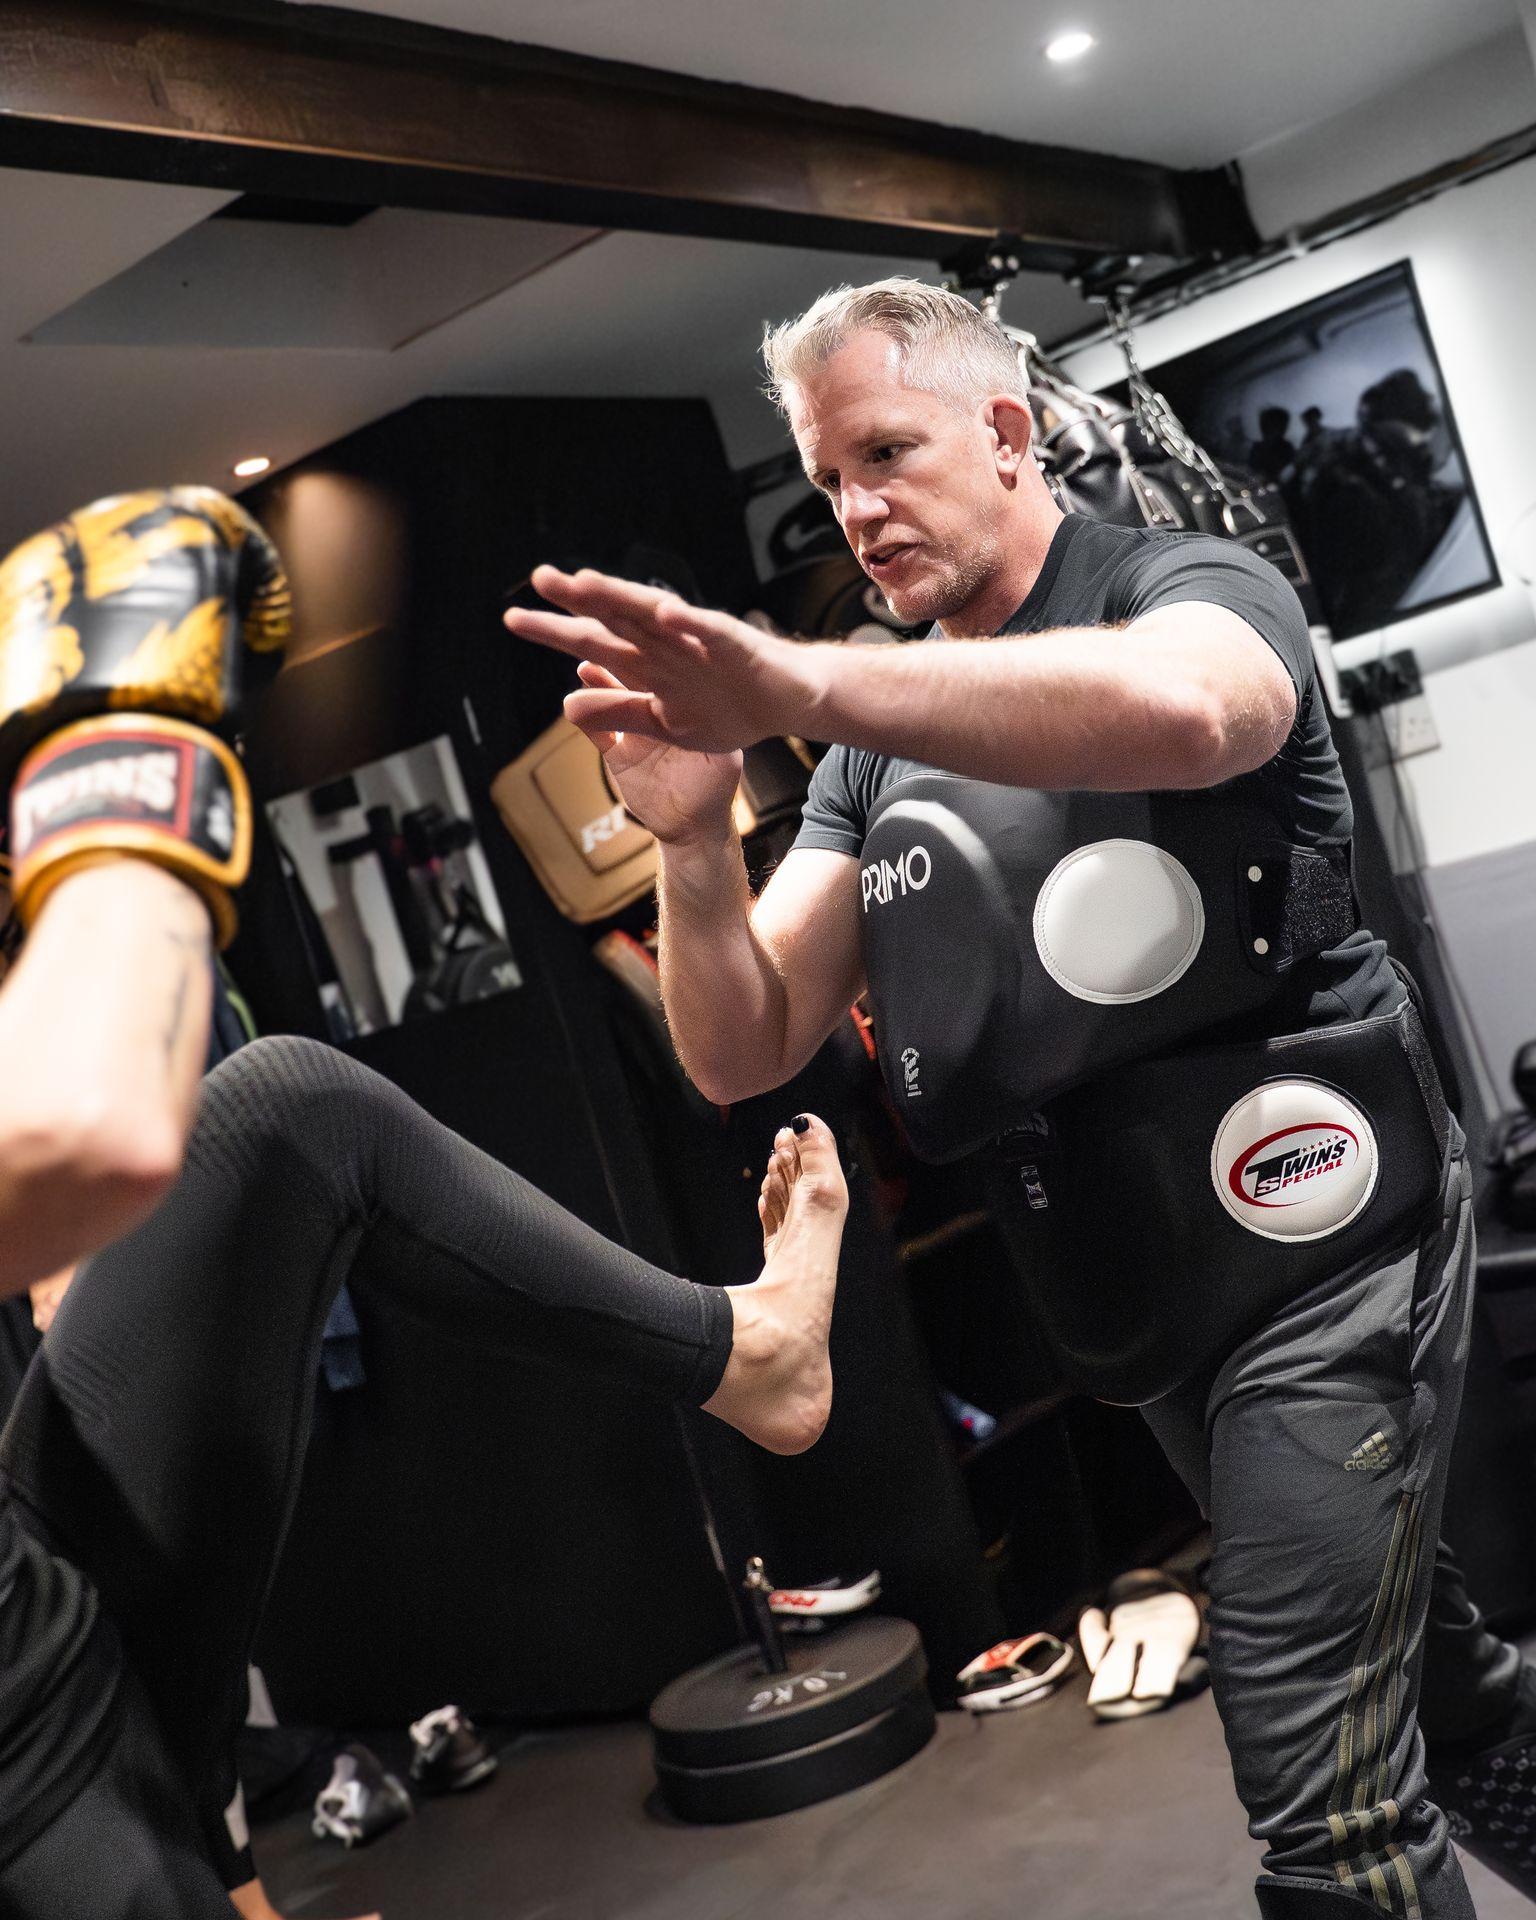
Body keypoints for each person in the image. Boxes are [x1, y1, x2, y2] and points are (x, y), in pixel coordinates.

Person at [507, 277, 1533, 1919]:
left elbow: (1197, 712)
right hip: (1150, 1290)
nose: (855, 509)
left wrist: (798, 684)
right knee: (1441, 1678)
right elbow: (738, 1039)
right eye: (827, 477)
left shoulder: (1185, 586)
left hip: (1332, 1238)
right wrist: (694, 841)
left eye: (886, 453)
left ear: (1003, 433)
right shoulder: (864, 749)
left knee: (1320, 1788)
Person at [0, 491, 849, 1920]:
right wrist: (121, 778)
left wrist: (225, 1850)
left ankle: (751, 1352)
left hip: (43, 1632)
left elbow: (75, 1328)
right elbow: (82, 1131)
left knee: (290, 1113)